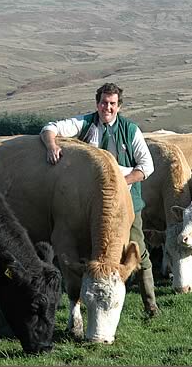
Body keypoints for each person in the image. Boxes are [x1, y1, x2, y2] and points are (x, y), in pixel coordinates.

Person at [40, 82, 159, 317]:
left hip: (127, 206)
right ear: (97, 103)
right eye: (104, 102)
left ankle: (150, 304)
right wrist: (51, 145)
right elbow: (50, 127)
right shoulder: (85, 123)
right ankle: (85, 305)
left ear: (119, 106)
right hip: (88, 208)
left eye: (112, 103)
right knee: (87, 254)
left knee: (139, 252)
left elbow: (147, 166)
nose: (108, 107)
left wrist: (117, 186)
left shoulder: (131, 130)